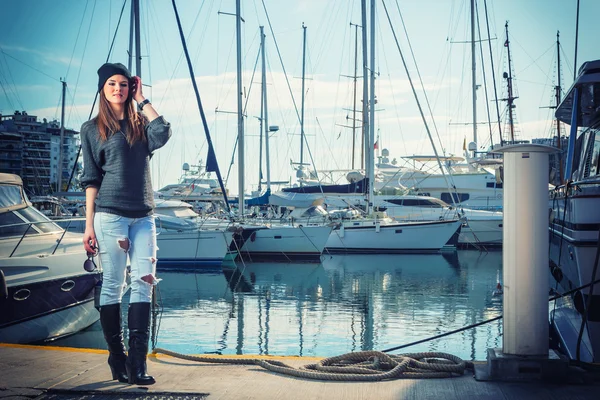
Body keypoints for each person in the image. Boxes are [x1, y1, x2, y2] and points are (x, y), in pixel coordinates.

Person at [80, 62, 171, 385]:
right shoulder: (91, 129)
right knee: (114, 284)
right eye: (111, 85)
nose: (117, 89)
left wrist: (143, 100)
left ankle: (138, 365)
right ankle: (117, 359)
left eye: (123, 84)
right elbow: (91, 179)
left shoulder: (140, 125)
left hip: (143, 216)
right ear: (103, 90)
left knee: (143, 283)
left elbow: (164, 131)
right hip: (109, 215)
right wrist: (88, 225)